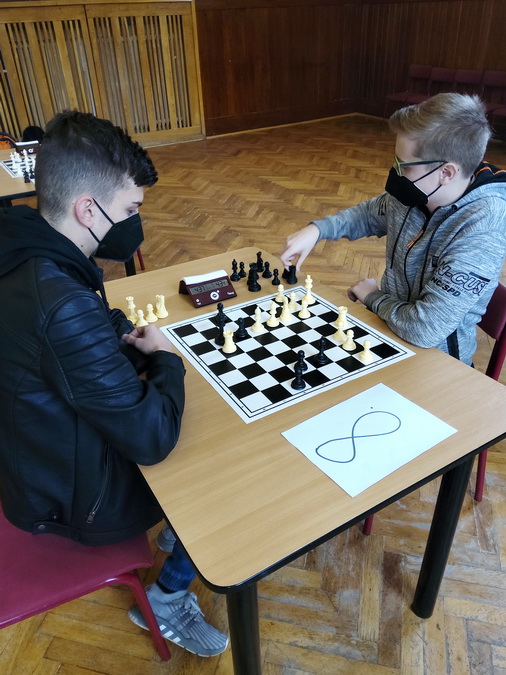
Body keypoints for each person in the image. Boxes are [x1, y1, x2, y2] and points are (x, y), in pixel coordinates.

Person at [0, 111, 227, 657]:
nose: (132, 223)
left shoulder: (26, 245)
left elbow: (77, 325)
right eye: (129, 210)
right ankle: (169, 598)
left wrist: (118, 331)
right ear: (87, 208)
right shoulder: (58, 302)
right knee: (223, 453)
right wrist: (167, 360)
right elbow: (151, 438)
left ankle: (177, 531)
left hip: (33, 457)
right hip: (72, 498)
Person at [281, 93, 506, 365]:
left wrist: (373, 297)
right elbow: (368, 215)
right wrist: (318, 230)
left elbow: (425, 330)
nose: (395, 171)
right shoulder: (417, 191)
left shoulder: (482, 229)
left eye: (403, 165)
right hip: (389, 329)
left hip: (437, 361)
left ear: (446, 173)